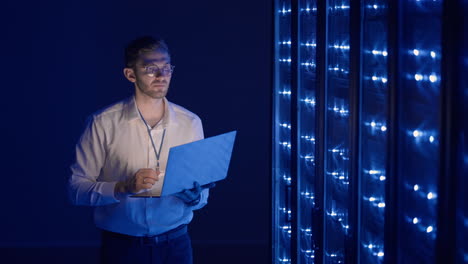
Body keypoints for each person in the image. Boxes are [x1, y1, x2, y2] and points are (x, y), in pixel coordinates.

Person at [68, 36, 213, 264]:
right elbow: (76, 190)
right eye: (151, 69)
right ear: (130, 74)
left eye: (166, 68)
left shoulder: (191, 122)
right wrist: (123, 187)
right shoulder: (102, 122)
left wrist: (197, 196)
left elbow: (202, 190)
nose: (161, 76)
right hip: (122, 249)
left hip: (176, 247)